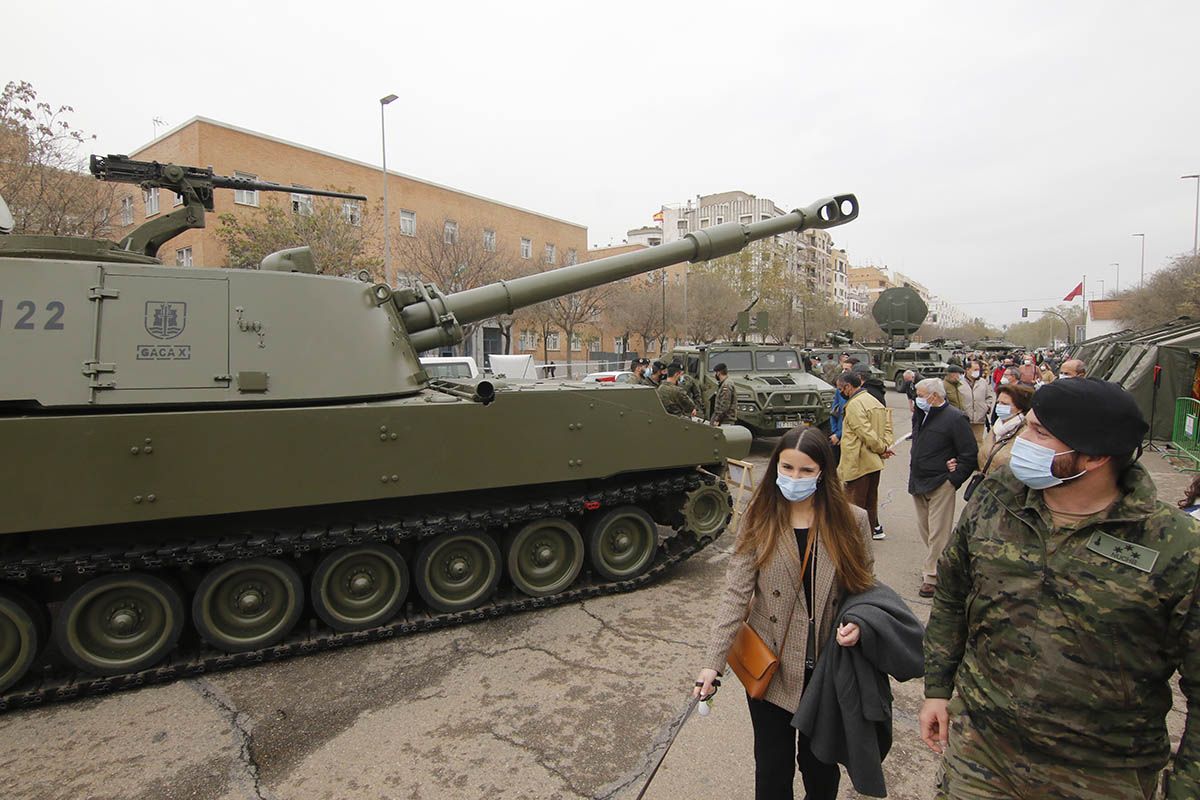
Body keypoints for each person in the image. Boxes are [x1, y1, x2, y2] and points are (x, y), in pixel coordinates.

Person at [920, 379, 1200, 799]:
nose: (1021, 443)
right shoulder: (997, 498)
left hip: (1101, 772)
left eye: (1039, 433)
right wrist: (937, 689)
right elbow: (952, 594)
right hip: (982, 752)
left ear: (1095, 455)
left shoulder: (1175, 545)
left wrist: (1187, 786)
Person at [694, 426, 876, 800]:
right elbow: (736, 594)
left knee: (820, 767)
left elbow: (865, 591)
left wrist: (858, 623)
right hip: (771, 667)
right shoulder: (759, 518)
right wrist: (712, 664)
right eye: (787, 468)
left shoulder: (851, 521)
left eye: (806, 471)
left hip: (827, 667)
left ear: (823, 471)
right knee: (773, 768)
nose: (794, 478)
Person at [909, 378, 977, 598]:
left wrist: (954, 479)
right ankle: (945, 564)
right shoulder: (920, 415)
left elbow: (968, 453)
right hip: (919, 480)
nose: (917, 399)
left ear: (934, 396)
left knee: (938, 532)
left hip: (941, 483)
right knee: (926, 530)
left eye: (920, 395)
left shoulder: (955, 418)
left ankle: (933, 576)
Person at [837, 371, 893, 541]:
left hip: (858, 461)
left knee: (855, 503)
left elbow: (864, 432)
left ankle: (854, 539)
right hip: (874, 462)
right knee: (870, 501)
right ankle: (867, 535)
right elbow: (887, 427)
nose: (840, 391)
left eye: (840, 388)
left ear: (848, 387)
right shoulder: (873, 400)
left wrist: (880, 447)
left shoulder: (855, 404)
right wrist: (884, 447)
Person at [976, 383, 1032, 474]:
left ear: (1020, 408)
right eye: (998, 402)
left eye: (1005, 404)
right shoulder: (996, 427)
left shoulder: (1025, 432)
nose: (999, 406)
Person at [959, 360, 996, 450]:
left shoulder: (983, 382)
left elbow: (989, 396)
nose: (977, 372)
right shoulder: (959, 383)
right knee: (963, 442)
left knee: (978, 442)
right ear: (967, 370)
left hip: (979, 419)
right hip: (964, 418)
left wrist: (986, 406)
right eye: (975, 369)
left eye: (978, 369)